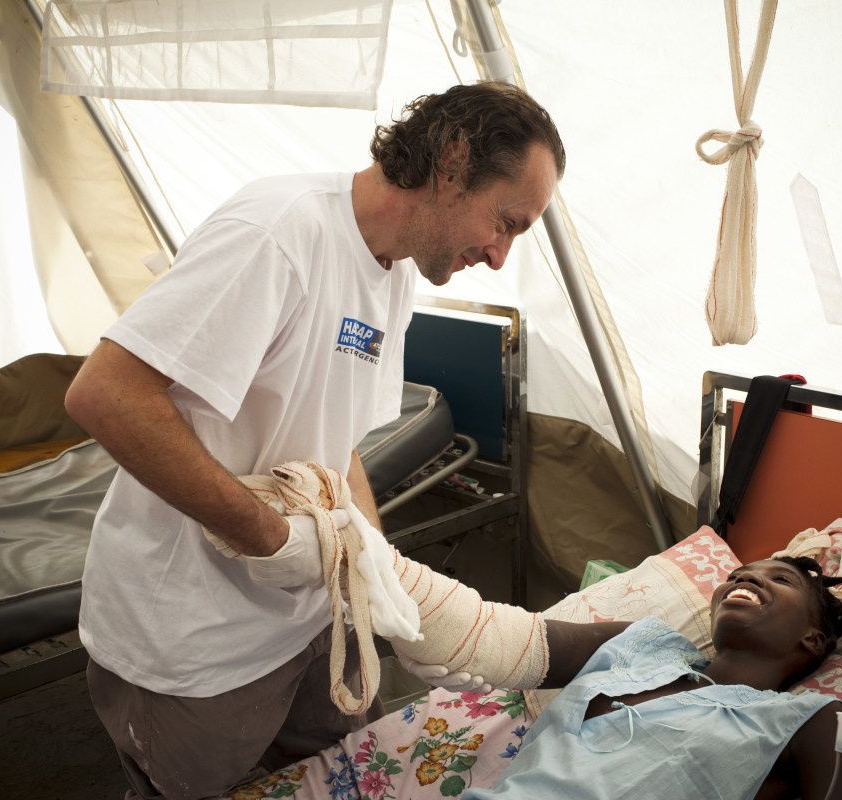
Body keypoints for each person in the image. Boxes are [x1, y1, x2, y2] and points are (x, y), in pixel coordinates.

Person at [63, 81, 565, 800]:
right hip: (198, 647)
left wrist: (373, 573)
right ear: (453, 164)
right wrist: (273, 539)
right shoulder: (281, 231)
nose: (499, 256)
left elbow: (340, 445)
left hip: (308, 628)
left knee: (341, 779)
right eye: (506, 222)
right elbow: (107, 395)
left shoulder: (392, 272)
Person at [455, 556, 842, 800]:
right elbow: (505, 641)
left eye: (781, 580)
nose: (743, 579)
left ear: (813, 640)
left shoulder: (820, 720)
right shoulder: (641, 643)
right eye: (739, 573)